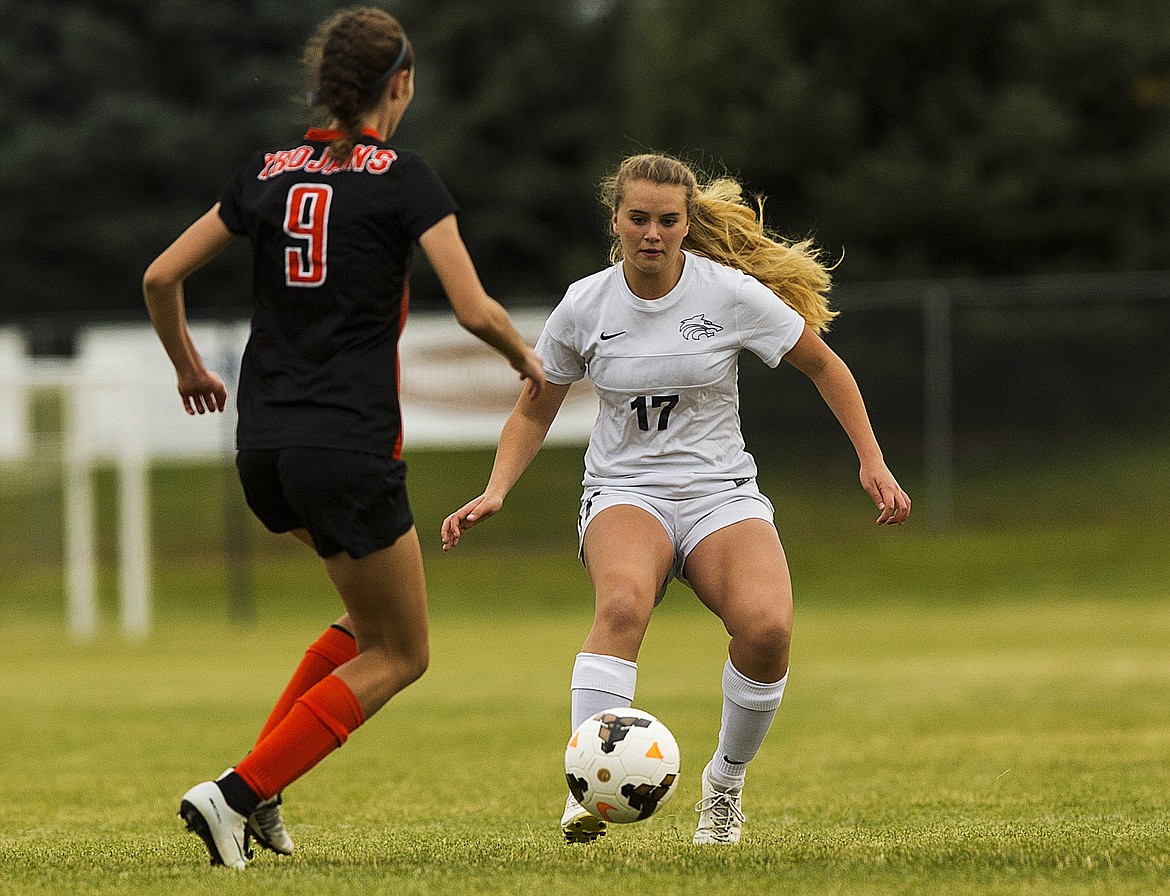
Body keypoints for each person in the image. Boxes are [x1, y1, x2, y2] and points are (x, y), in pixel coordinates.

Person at [143, 7, 545, 870]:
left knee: (367, 623)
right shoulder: (405, 177)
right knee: (403, 651)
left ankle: (260, 788)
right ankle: (238, 793)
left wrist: (187, 367)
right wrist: (530, 361)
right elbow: (473, 307)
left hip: (263, 451)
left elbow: (160, 274)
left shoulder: (267, 170)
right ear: (399, 83)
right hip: (347, 445)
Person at [440, 152, 910, 845]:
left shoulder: (729, 294)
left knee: (768, 629)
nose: (652, 233)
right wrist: (496, 488)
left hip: (721, 493)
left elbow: (824, 365)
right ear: (616, 220)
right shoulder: (585, 304)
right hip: (626, 492)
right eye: (638, 218)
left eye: (667, 220)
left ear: (687, 223)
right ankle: (585, 787)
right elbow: (536, 407)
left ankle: (724, 787)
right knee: (623, 602)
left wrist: (872, 460)